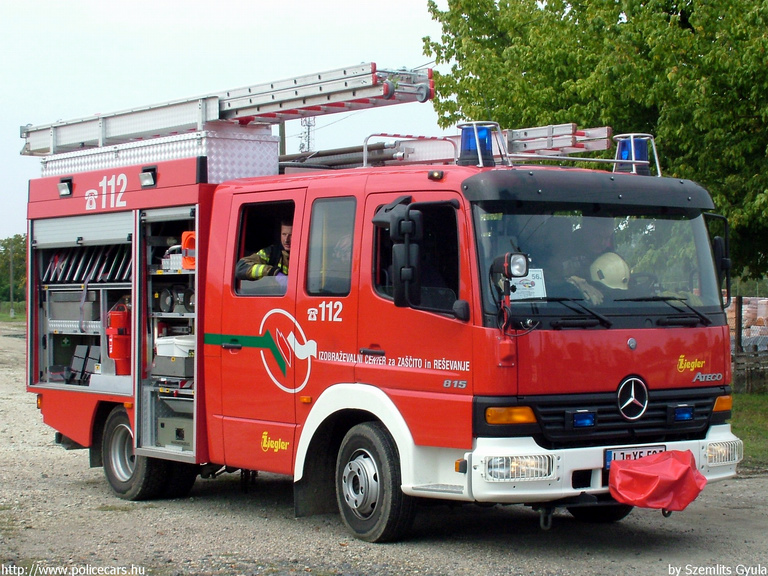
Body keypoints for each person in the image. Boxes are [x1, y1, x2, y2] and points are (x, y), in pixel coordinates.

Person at [235, 220, 292, 287]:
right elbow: (241, 268)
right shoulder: (271, 252)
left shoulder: (307, 256)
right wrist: (272, 272)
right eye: (284, 234)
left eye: (291, 235)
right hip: (274, 296)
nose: (286, 240)